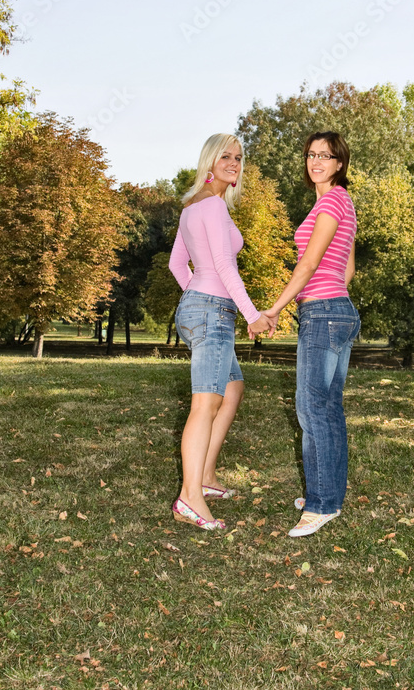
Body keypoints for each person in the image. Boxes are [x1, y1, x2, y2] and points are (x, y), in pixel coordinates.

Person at [169, 133, 273, 531]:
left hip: (201, 307)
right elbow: (226, 269)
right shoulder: (211, 206)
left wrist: (195, 298)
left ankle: (205, 477)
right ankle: (189, 497)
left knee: (231, 389)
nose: (234, 163)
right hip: (213, 310)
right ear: (209, 162)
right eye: (226, 156)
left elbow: (179, 267)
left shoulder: (193, 207)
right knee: (206, 403)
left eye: (239, 157)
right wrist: (250, 314)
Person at [261, 131, 360, 537]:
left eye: (326, 155)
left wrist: (274, 308)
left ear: (340, 163)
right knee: (327, 407)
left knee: (311, 407)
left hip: (322, 313)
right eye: (311, 154)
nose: (316, 161)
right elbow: (347, 267)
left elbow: (307, 266)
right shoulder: (339, 202)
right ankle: (328, 494)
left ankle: (321, 504)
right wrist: (335, 302)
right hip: (338, 310)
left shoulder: (333, 200)